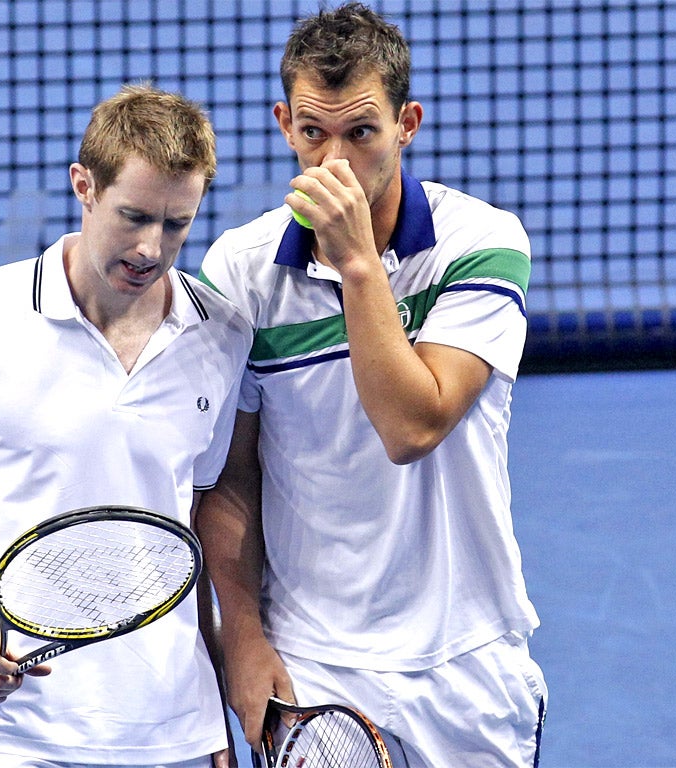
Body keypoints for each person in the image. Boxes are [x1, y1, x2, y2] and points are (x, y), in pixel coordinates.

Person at [196, 4, 546, 767]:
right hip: (319, 664)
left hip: (468, 659)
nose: (335, 163)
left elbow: (411, 428)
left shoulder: (481, 244)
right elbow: (228, 479)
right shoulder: (239, 272)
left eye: (361, 133)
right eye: (313, 133)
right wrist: (244, 643)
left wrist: (357, 263)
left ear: (406, 123)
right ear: (285, 124)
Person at [0, 83, 251, 768]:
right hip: (13, 738)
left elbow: (188, 527)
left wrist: (213, 715)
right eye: (133, 216)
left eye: (176, 224)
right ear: (84, 186)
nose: (151, 248)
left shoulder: (221, 336)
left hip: (171, 734)